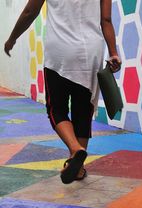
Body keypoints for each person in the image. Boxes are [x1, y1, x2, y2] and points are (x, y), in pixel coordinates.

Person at [4, 0, 121, 184]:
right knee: (83, 111)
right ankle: (79, 168)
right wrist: (113, 53)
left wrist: (12, 39)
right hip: (91, 52)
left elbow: (30, 11)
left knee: (56, 109)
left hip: (59, 53)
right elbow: (106, 19)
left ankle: (75, 149)